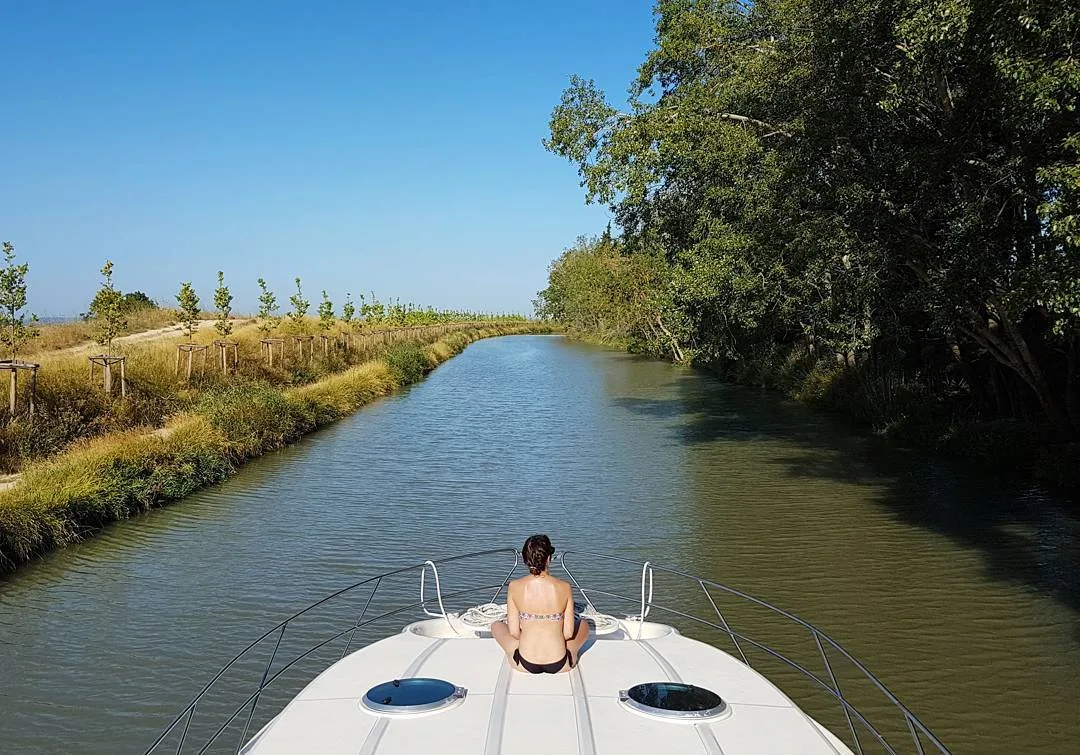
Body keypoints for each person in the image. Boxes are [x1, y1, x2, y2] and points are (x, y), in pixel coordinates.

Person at [490, 534, 590, 674]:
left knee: (496, 625)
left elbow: (514, 632)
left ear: (525, 559)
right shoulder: (564, 587)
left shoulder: (514, 586)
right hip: (560, 662)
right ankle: (571, 652)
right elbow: (567, 634)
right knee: (584, 623)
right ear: (548, 559)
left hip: (524, 662)